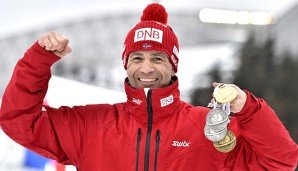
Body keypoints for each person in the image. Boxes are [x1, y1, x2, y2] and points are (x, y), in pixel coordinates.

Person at [0, 3, 297, 171]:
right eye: (137, 57)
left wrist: (249, 110)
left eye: (157, 57)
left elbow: (281, 162)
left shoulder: (208, 128)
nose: (146, 68)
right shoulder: (92, 124)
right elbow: (19, 122)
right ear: (125, 63)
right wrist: (38, 61)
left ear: (173, 64)